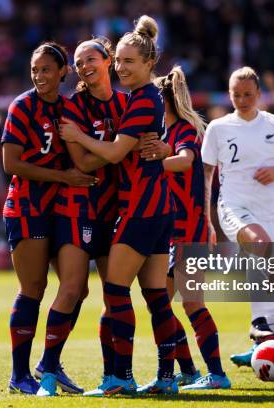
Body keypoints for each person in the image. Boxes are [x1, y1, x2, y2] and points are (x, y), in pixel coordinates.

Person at [60, 15, 181, 396]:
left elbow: (114, 153)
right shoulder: (142, 98)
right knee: (157, 297)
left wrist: (79, 135)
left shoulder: (143, 99)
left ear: (149, 64)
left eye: (130, 61)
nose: (122, 67)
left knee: (114, 291)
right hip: (158, 206)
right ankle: (166, 379)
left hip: (142, 206)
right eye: (120, 61)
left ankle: (119, 379)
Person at [201, 66, 274, 368]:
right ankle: (258, 323)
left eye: (247, 94)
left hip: (272, 208)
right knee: (259, 244)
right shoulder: (218, 128)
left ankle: (265, 351)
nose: (241, 99)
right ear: (229, 95)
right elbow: (207, 173)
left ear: (259, 94)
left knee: (272, 280)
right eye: (236, 94)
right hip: (234, 205)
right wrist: (206, 217)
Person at [34, 37, 127, 397]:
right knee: (72, 288)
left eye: (92, 58)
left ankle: (112, 377)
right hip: (77, 206)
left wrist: (123, 146)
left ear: (108, 62)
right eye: (79, 61)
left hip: (114, 209)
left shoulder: (126, 103)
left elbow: (127, 151)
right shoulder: (73, 109)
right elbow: (83, 164)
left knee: (113, 296)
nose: (86, 65)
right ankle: (47, 369)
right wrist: (121, 148)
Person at [1, 41, 96, 395]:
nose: (39, 75)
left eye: (45, 69)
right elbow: (11, 164)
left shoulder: (70, 109)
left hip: (63, 206)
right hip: (27, 206)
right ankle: (19, 375)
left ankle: (50, 364)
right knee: (34, 289)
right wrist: (63, 178)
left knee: (78, 287)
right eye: (34, 69)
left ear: (62, 72)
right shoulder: (22, 106)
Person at [138, 66, 231, 390]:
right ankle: (187, 371)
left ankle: (216, 374)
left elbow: (185, 160)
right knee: (159, 304)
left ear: (164, 102)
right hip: (170, 228)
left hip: (186, 229)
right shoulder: (163, 134)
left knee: (191, 302)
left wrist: (149, 166)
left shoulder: (185, 130)